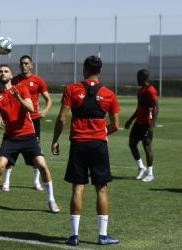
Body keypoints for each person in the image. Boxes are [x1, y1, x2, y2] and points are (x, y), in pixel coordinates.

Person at [51, 55, 120, 246]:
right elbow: (115, 125)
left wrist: (55, 141)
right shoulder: (108, 93)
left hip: (78, 144)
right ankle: (103, 236)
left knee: (77, 188)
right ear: (100, 71)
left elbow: (61, 119)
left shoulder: (71, 89)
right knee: (101, 188)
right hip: (98, 145)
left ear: (84, 70)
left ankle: (74, 236)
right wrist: (101, 132)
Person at [0, 64, 60, 214]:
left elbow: (30, 108)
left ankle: (51, 200)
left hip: (28, 135)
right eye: (0, 72)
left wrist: (18, 99)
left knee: (42, 166)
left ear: (11, 76)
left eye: (6, 71)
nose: (3, 73)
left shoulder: (21, 89)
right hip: (10, 138)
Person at [1, 55, 53, 192]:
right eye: (21, 64)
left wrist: (46, 110)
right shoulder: (14, 80)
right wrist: (2, 115)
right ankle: (6, 182)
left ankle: (36, 182)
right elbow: (4, 98)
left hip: (33, 120)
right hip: (15, 120)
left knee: (35, 153)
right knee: (11, 151)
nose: (23, 66)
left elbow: (48, 99)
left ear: (31, 65)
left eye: (26, 63)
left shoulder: (38, 81)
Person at [124, 69, 159, 182]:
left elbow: (156, 108)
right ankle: (141, 167)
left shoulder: (151, 90)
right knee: (132, 144)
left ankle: (150, 173)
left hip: (147, 124)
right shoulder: (141, 90)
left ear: (142, 78)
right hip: (138, 123)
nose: (136, 80)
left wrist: (151, 125)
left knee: (147, 147)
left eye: (137, 78)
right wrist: (130, 120)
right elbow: (139, 108)